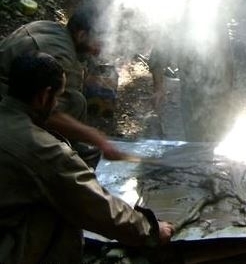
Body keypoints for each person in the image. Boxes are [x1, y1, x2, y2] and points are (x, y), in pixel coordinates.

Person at [0, 52, 175, 264]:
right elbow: (93, 204)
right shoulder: (41, 149)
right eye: (57, 97)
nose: (57, 105)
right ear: (44, 96)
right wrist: (150, 230)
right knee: (62, 208)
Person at [0, 6, 125, 162]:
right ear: (81, 35)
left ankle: (65, 145)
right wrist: (96, 137)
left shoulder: (53, 28)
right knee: (75, 102)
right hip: (7, 110)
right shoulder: (59, 53)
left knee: (78, 98)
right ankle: (48, 156)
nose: (100, 49)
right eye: (99, 42)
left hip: (13, 97)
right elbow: (48, 111)